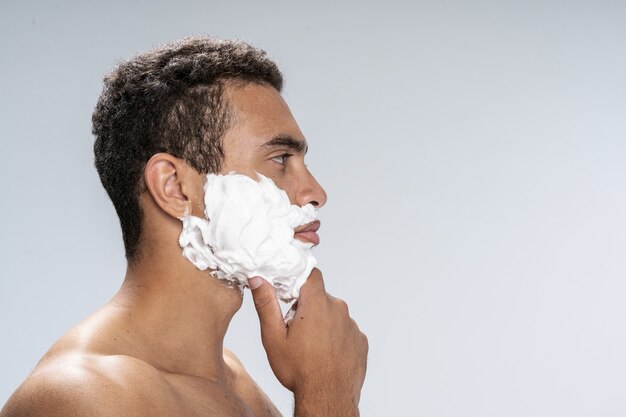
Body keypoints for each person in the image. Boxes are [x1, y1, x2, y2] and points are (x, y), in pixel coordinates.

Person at [0, 37, 368, 417]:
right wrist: (327, 392)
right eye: (280, 159)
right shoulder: (89, 394)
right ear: (174, 188)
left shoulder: (236, 385)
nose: (316, 193)